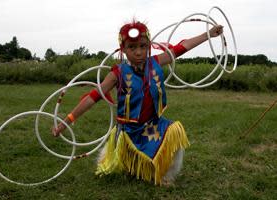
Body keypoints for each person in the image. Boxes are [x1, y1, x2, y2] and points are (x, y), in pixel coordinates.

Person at [52, 20, 223, 186]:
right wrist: (65, 123)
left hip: (152, 126)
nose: (139, 52)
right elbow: (92, 98)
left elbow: (180, 48)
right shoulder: (117, 73)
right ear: (123, 49)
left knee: (175, 133)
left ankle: (166, 176)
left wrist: (207, 34)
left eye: (142, 46)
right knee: (111, 168)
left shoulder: (156, 62)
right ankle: (126, 160)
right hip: (128, 131)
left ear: (149, 46)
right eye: (132, 47)